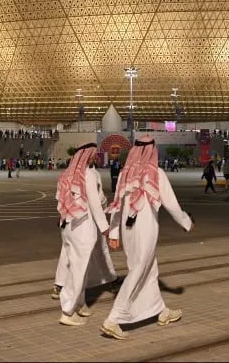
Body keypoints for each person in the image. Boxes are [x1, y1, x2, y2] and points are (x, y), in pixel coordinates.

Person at [101, 135, 193, 340]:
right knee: (139, 269)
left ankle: (160, 310)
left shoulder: (125, 174)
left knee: (150, 270)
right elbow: (172, 204)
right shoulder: (156, 174)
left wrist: (114, 232)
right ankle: (114, 319)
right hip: (145, 227)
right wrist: (186, 222)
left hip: (127, 228)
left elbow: (117, 205)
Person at [55, 142, 110, 326]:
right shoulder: (89, 174)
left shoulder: (67, 175)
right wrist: (105, 227)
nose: (95, 157)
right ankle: (68, 311)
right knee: (78, 270)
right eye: (93, 154)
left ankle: (80, 304)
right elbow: (96, 202)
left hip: (68, 226)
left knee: (81, 268)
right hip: (83, 228)